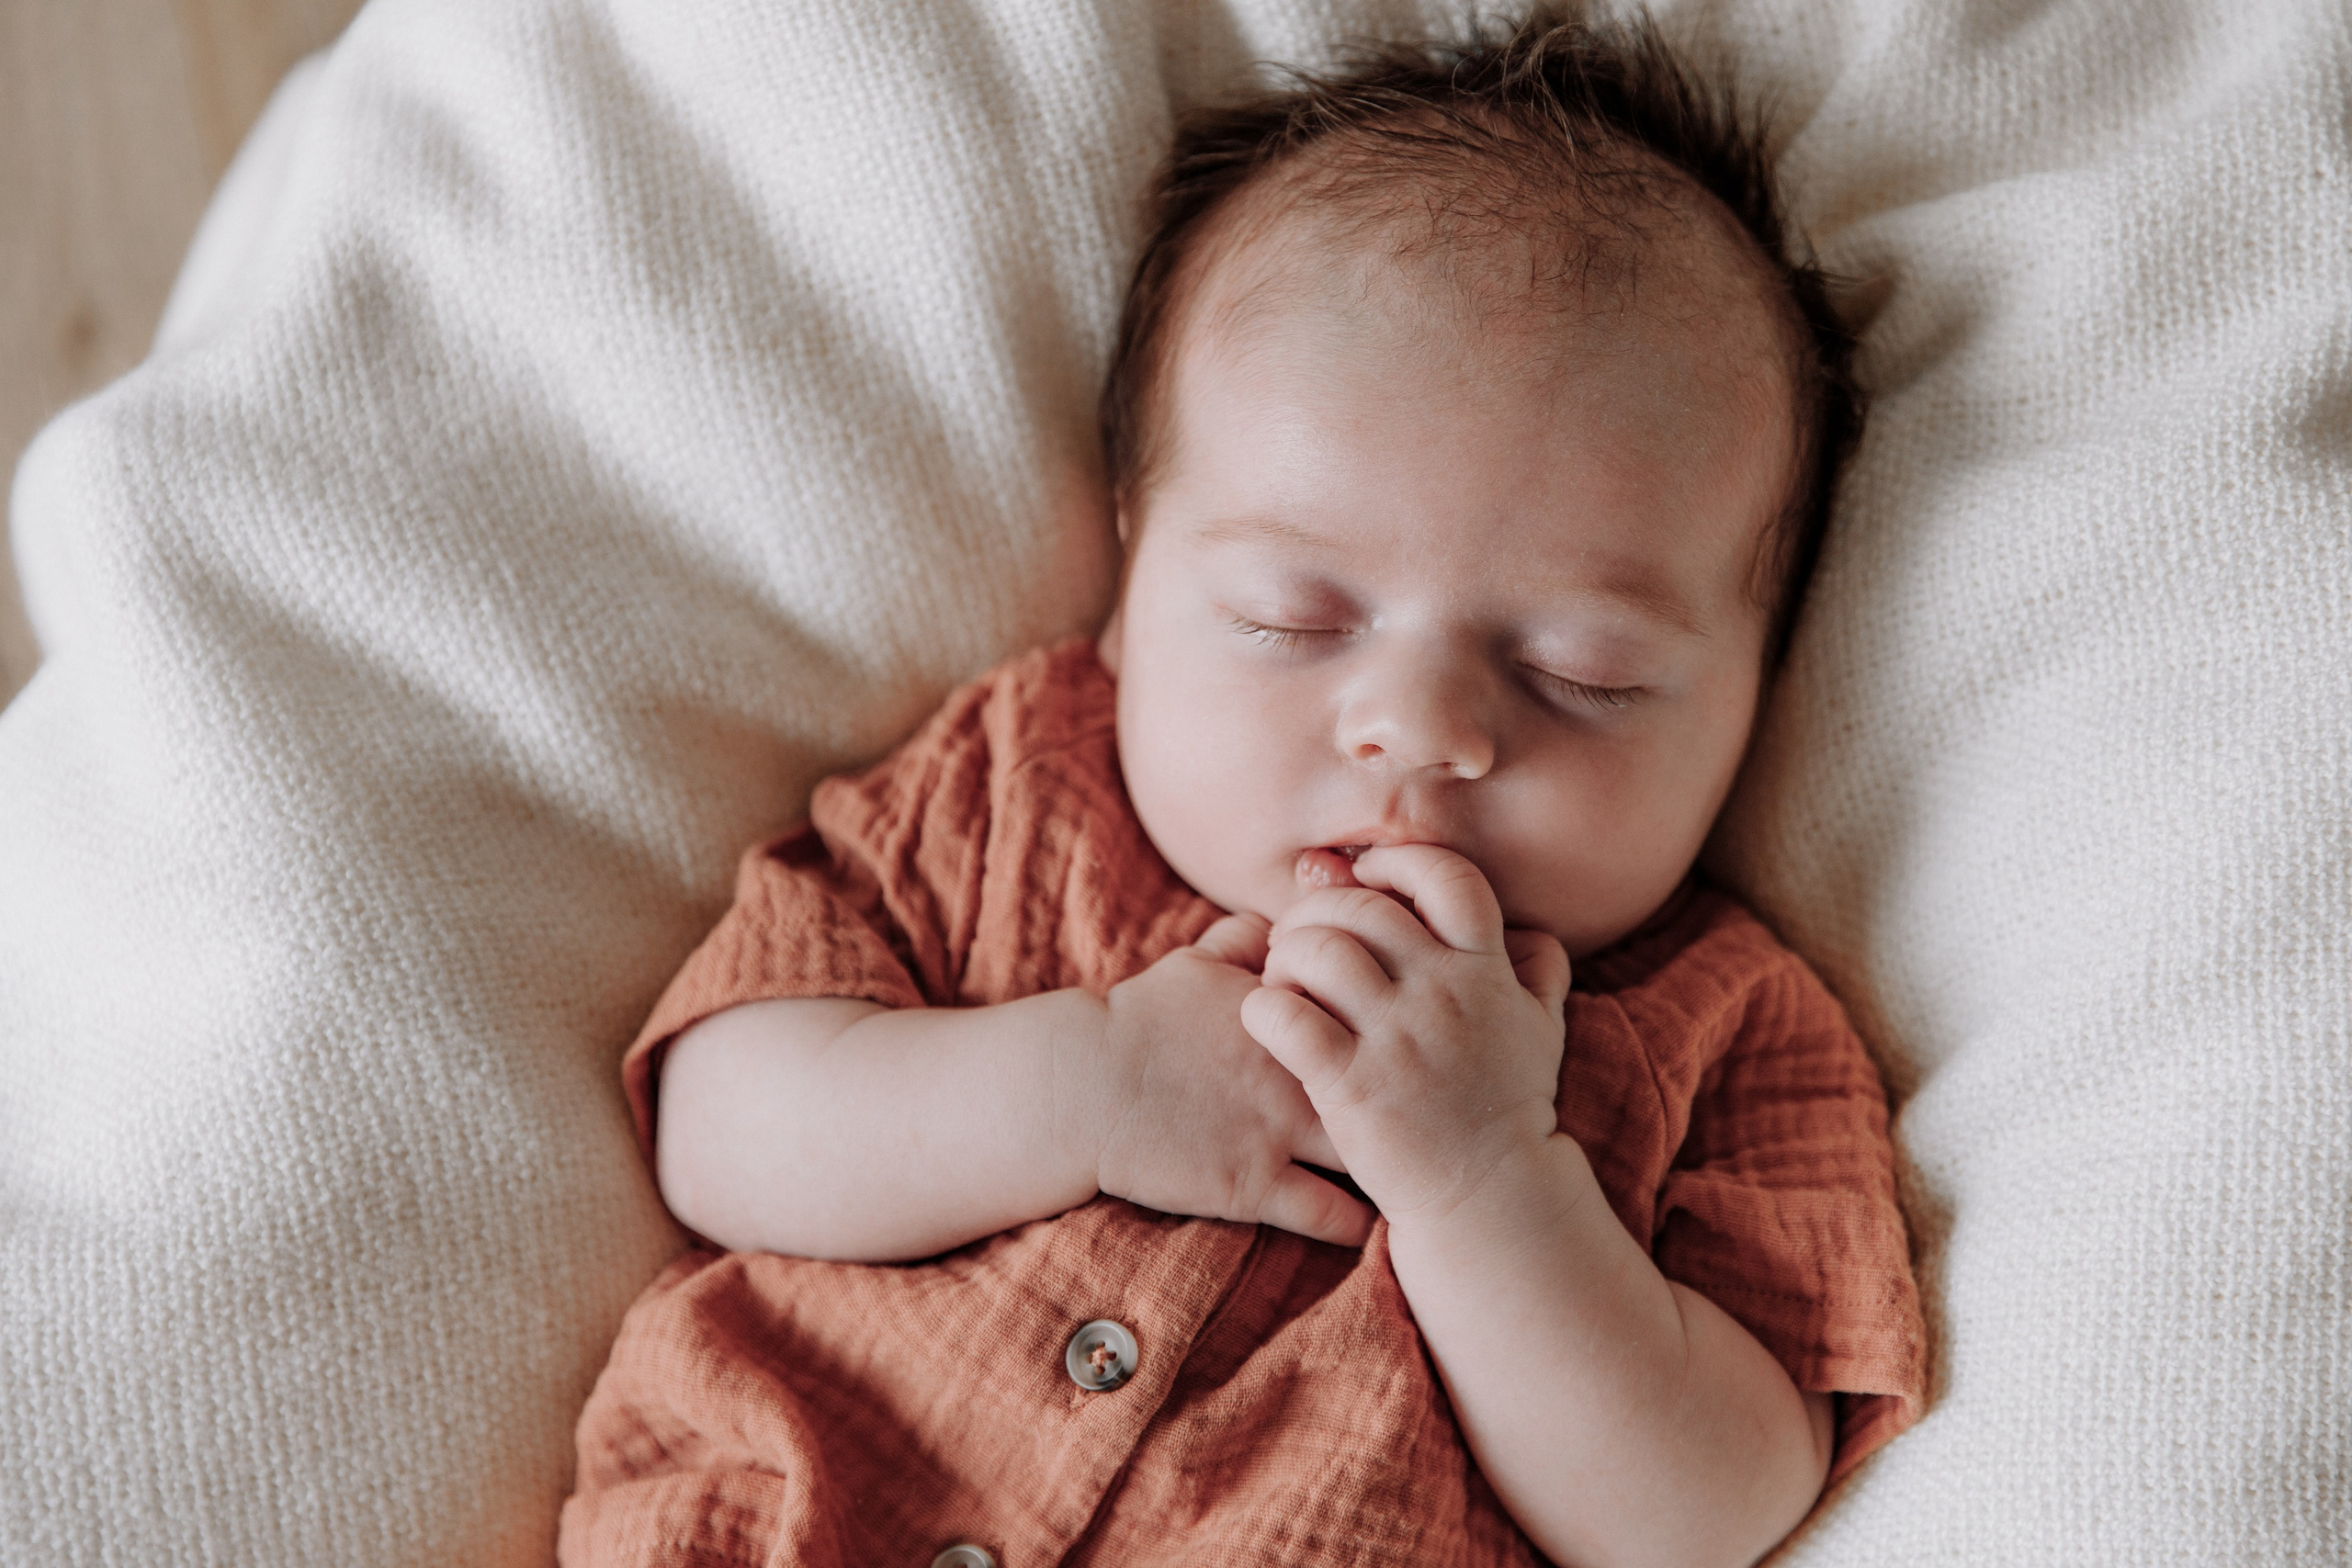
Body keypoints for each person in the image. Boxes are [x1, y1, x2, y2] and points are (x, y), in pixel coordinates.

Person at [562, 9, 1924, 1566]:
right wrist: (1077, 1087)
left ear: (1760, 692)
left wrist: (1484, 1180)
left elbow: (1707, 1512)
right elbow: (718, 1128)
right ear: (1135, 577)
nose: (1417, 732)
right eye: (1294, 620)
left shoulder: (1724, 1029)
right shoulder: (1013, 789)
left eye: (1582, 673)